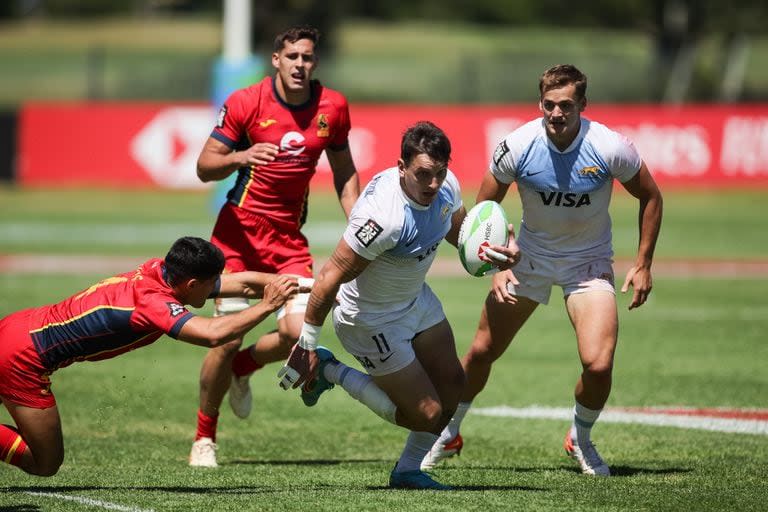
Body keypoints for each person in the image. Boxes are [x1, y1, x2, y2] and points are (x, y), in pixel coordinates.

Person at [421, 64, 664, 476]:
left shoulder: (609, 147)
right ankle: (449, 432)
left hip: (588, 262)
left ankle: (580, 439)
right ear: (540, 104)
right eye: (549, 105)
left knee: (598, 364)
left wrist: (642, 263)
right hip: (528, 258)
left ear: (582, 105)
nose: (556, 113)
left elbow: (651, 196)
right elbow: (485, 206)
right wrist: (494, 264)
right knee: (481, 351)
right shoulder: (517, 145)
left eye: (566, 105)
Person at [277, 121, 519, 490]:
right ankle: (330, 371)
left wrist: (492, 255)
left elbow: (457, 231)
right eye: (423, 174)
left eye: (440, 173)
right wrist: (307, 343)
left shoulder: (446, 188)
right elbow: (329, 278)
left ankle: (407, 472)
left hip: (415, 302)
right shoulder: (382, 218)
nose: (433, 184)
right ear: (401, 167)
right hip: (370, 321)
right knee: (427, 415)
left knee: (454, 385)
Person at [190, 25, 359, 467]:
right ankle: (204, 437)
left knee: (297, 334)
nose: (300, 64)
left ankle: (243, 370)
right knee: (223, 341)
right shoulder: (247, 102)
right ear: (276, 60)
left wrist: (361, 225)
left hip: (287, 241)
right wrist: (239, 157)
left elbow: (344, 172)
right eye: (293, 56)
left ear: (314, 62)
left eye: (308, 57)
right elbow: (205, 167)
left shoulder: (333, 107)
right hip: (236, 238)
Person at [0, 237, 304, 477]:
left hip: (16, 327)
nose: (219, 289)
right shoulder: (154, 303)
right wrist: (267, 306)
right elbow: (212, 333)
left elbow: (244, 283)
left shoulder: (160, 271)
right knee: (45, 462)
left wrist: (307, 287)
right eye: (213, 283)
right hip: (23, 360)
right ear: (192, 285)